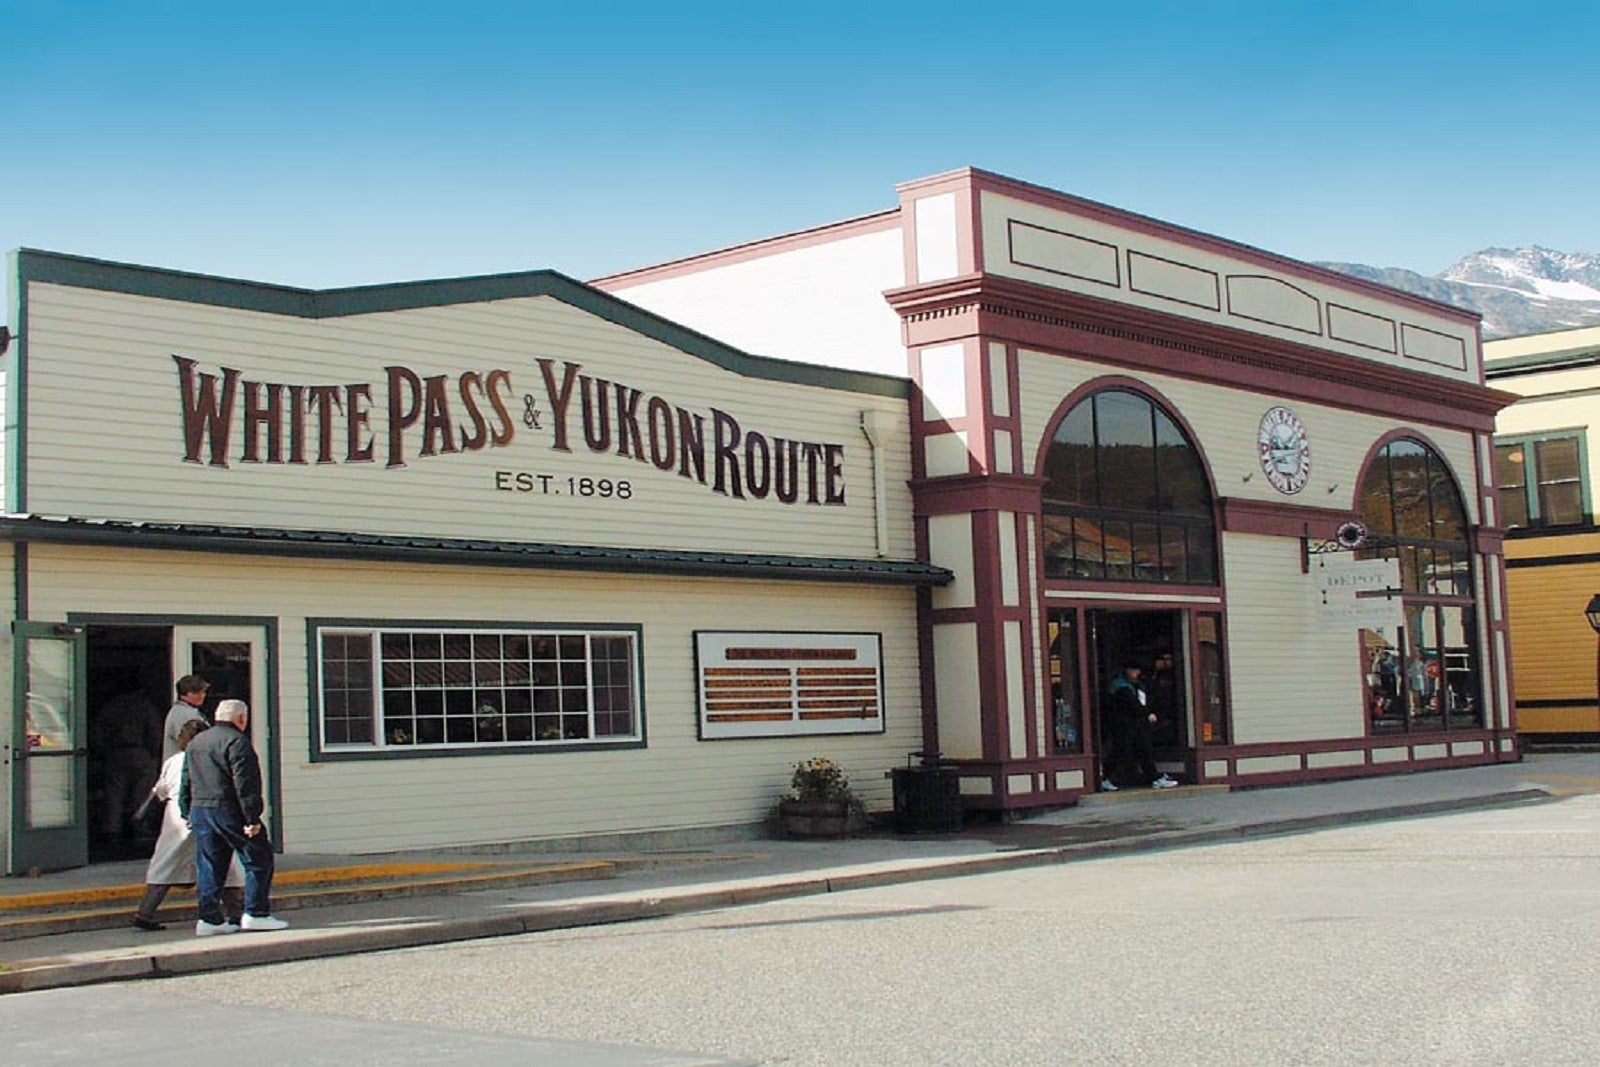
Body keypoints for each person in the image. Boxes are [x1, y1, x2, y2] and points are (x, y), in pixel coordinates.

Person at [179, 698, 288, 935]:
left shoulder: (197, 741)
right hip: (228, 808)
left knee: (209, 864)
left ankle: (209, 919)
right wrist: (252, 818)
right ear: (241, 718)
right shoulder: (237, 742)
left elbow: (186, 779)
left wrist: (186, 810)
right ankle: (256, 913)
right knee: (258, 858)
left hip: (201, 809)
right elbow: (245, 783)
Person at [131, 719, 245, 931]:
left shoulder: (173, 761)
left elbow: (161, 791)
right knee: (227, 864)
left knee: (165, 865)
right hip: (207, 811)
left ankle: (145, 912)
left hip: (176, 817)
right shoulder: (212, 756)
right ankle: (237, 913)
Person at [93, 686, 161, 839]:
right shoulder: (145, 706)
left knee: (114, 795)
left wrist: (103, 752)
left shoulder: (111, 707)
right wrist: (154, 753)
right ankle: (140, 829)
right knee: (142, 794)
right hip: (140, 752)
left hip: (115, 753)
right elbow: (154, 731)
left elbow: (98, 732)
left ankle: (112, 830)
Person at [1102, 663, 1178, 791]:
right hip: (1124, 724)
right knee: (1123, 750)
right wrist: (1147, 713)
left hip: (1133, 723)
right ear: (1128, 670)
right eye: (1134, 670)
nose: (1137, 673)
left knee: (1142, 750)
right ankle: (1106, 777)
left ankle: (1154, 777)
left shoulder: (1134, 685)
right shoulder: (1121, 686)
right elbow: (1132, 704)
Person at [163, 675, 211, 761]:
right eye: (198, 693)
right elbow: (189, 744)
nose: (203, 696)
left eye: (204, 692)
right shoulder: (182, 713)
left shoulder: (188, 711)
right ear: (187, 694)